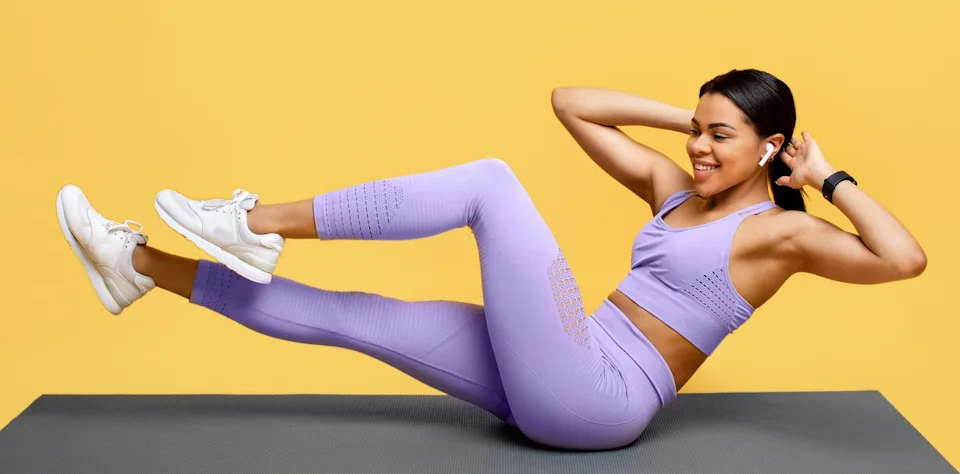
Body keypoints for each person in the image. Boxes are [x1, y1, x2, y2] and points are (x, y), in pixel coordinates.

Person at [55, 68, 926, 451]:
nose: (698, 147)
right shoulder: (673, 187)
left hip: (602, 396)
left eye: (720, 136)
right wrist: (695, 116)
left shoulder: (783, 232)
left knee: (490, 184)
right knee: (354, 316)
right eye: (698, 131)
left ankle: (258, 222)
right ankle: (137, 263)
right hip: (564, 359)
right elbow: (572, 102)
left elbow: (903, 260)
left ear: (772, 148)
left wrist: (826, 176)